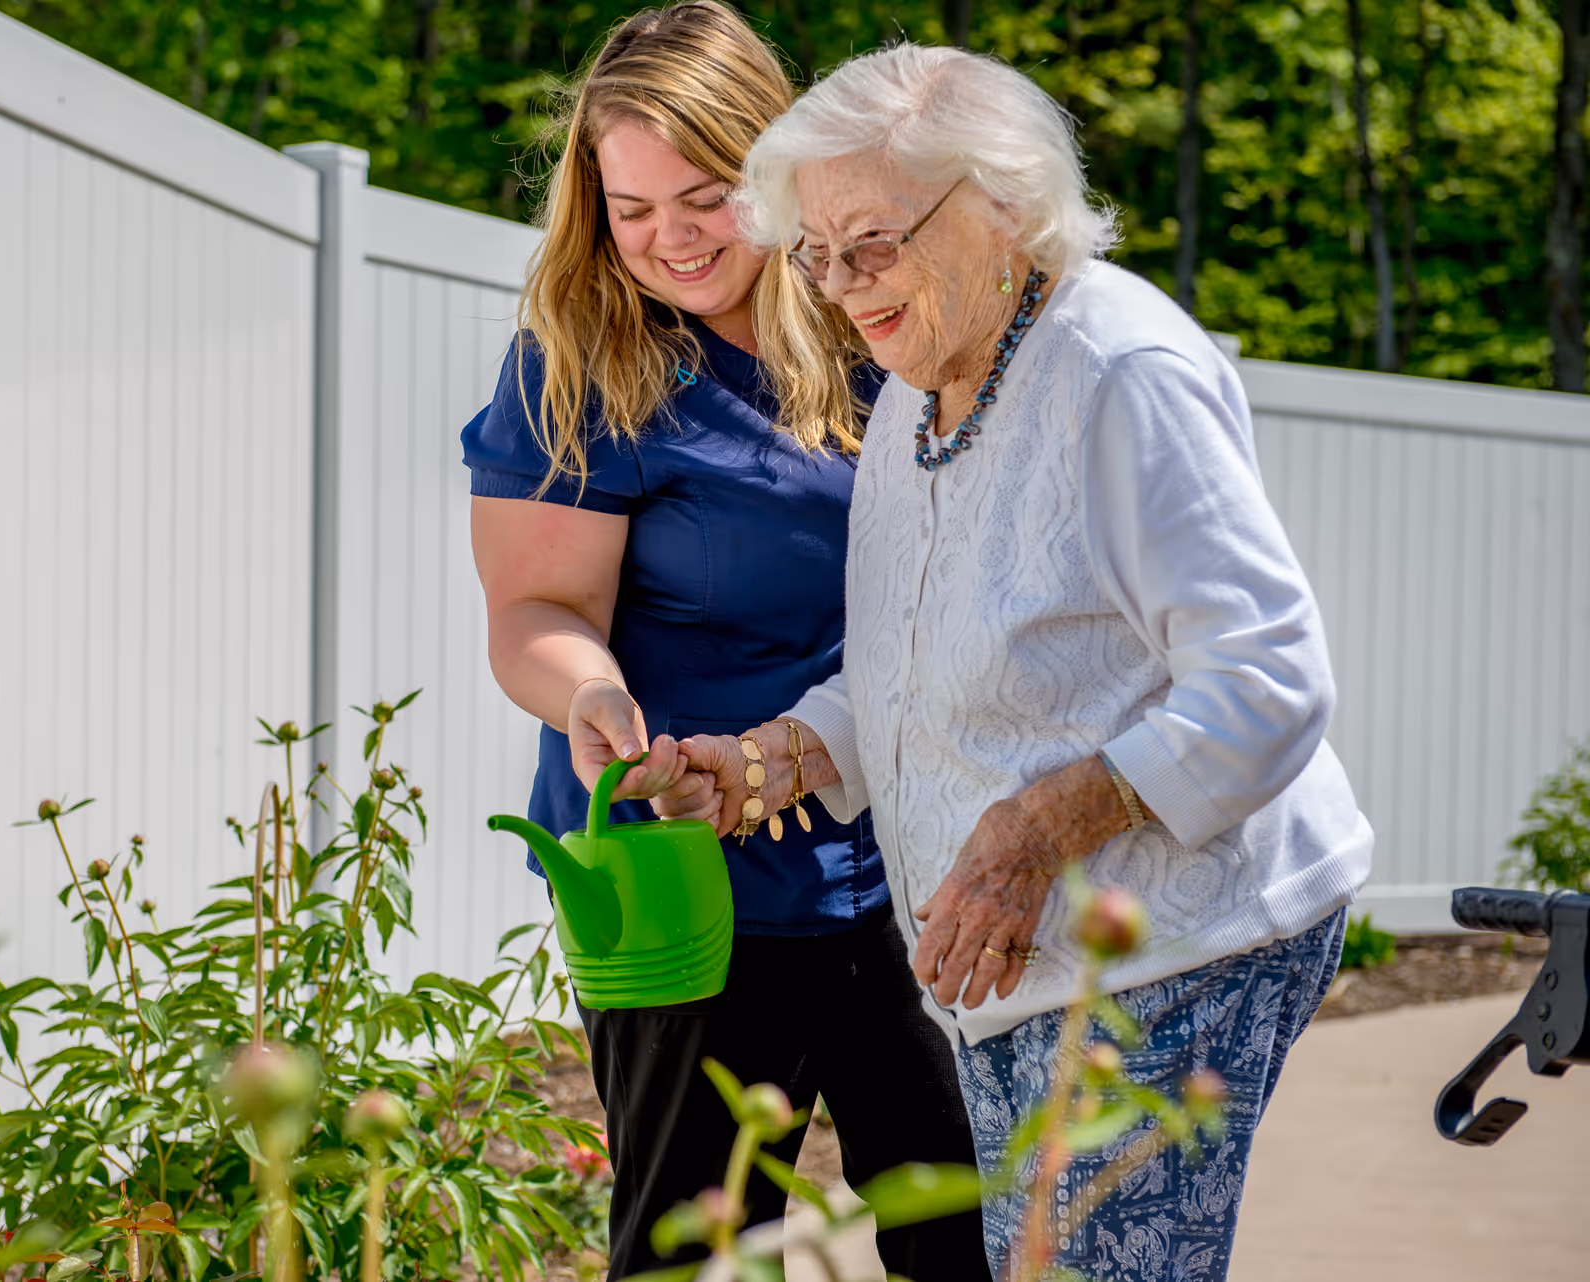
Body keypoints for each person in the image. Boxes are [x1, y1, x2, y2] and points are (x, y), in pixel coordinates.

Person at [655, 43, 1375, 1281]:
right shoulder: (914, 385)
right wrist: (775, 759)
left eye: (871, 243)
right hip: (1011, 966)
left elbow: (1268, 679)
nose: (838, 286)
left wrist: (1036, 829)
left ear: (1005, 206)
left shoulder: (1118, 372)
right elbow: (908, 662)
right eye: (818, 254)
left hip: (1179, 942)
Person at [461, 6, 985, 1277]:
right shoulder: (583, 363)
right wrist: (590, 693)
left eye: (703, 196)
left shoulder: (880, 324)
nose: (669, 240)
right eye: (629, 209)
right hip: (684, 882)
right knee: (697, 1251)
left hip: (912, 868)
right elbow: (537, 616)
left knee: (966, 1232)